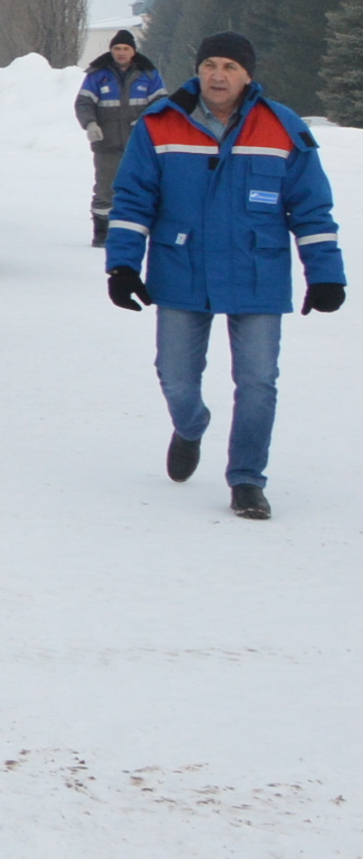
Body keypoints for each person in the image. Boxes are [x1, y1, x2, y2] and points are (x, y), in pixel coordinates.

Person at [104, 30, 341, 518]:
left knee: (258, 381)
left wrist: (325, 274)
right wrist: (123, 265)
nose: (218, 75)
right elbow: (131, 201)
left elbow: (313, 209)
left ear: (248, 75)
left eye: (230, 67)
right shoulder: (159, 125)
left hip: (258, 273)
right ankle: (190, 426)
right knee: (176, 379)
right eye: (210, 64)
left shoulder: (283, 128)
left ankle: (247, 479)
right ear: (198, 69)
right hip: (181, 270)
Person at [75, 30, 166, 246]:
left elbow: (161, 104)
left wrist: (145, 124)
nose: (121, 53)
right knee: (106, 189)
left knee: (143, 186)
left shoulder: (149, 74)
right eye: (117, 48)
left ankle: (141, 230)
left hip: (140, 144)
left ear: (133, 51)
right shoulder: (98, 75)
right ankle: (102, 233)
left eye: (126, 48)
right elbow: (83, 103)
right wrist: (90, 123)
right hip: (106, 143)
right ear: (111, 50)